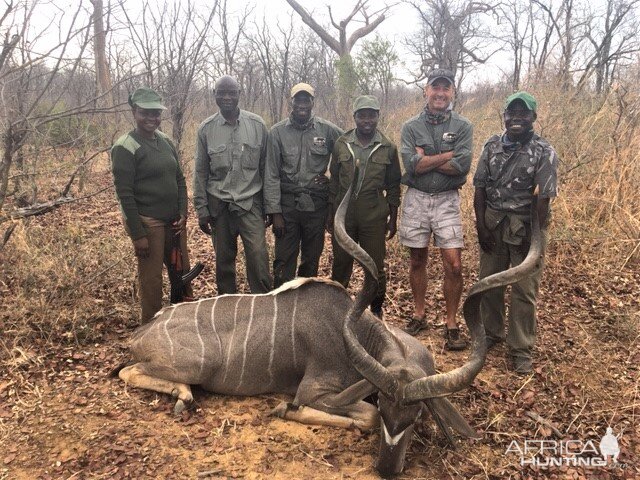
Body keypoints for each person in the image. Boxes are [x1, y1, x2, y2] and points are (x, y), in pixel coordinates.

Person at [473, 91, 558, 374]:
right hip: (493, 223)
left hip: (527, 226)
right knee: (489, 282)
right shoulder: (492, 146)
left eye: (524, 114)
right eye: (512, 113)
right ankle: (491, 334)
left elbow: (543, 200)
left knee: (524, 291)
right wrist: (481, 226)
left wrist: (532, 238)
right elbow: (480, 188)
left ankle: (521, 348)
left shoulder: (544, 151)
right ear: (504, 117)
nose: (517, 118)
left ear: (534, 117)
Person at [398, 68, 473, 350]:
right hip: (416, 198)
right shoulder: (410, 126)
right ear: (426, 91)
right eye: (435, 87)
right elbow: (411, 165)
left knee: (453, 264)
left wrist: (426, 158)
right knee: (417, 259)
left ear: (452, 92)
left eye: (445, 88)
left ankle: (451, 323)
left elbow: (461, 166)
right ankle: (419, 315)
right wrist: (447, 156)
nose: (440, 93)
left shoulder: (463, 126)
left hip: (447, 200)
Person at [111, 87, 193, 323]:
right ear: (135, 112)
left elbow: (179, 179)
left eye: (156, 114)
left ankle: (182, 324)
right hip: (149, 224)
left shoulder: (165, 140)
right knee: (152, 281)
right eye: (145, 113)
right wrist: (138, 235)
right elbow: (124, 195)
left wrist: (182, 212)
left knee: (182, 274)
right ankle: (150, 330)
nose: (151, 119)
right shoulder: (125, 147)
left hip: (174, 223)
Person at [193, 75, 271, 294]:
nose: (227, 97)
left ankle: (262, 307)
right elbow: (200, 172)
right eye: (222, 93)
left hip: (250, 204)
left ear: (239, 94)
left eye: (232, 93)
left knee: (258, 258)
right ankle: (227, 310)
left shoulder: (257, 125)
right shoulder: (206, 129)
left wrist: (270, 207)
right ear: (214, 95)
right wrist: (201, 209)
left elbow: (267, 169)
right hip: (219, 205)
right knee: (224, 263)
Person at [327, 95, 401, 318]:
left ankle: (376, 310)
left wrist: (393, 218)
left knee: (375, 265)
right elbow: (334, 182)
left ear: (378, 116)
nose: (367, 120)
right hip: (345, 215)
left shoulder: (387, 146)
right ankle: (337, 312)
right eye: (362, 115)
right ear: (355, 117)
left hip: (373, 215)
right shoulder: (342, 143)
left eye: (371, 115)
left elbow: (394, 185)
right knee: (341, 263)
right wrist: (330, 215)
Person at [263, 83, 343, 288]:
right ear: (292, 102)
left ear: (312, 102)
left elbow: (347, 152)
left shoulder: (328, 130)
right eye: (298, 99)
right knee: (283, 261)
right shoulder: (277, 132)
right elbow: (271, 173)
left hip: (316, 204)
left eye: (306, 99)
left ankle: (303, 308)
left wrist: (332, 180)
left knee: (311, 259)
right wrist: (275, 212)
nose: (302, 104)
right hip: (288, 204)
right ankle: (281, 307)